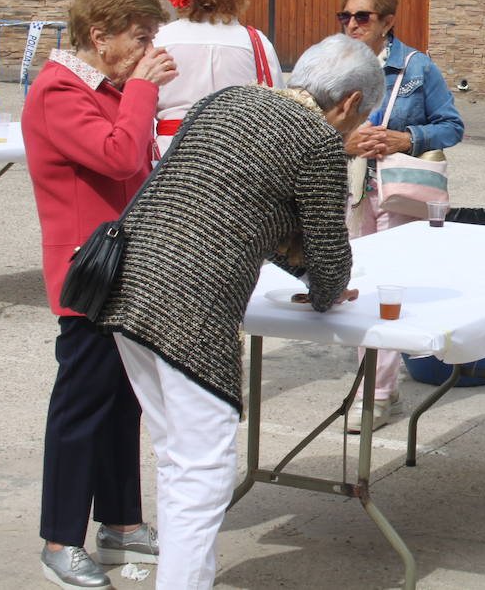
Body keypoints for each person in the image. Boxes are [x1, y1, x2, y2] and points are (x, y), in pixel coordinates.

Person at [96, 34, 380, 590]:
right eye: (359, 114)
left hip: (127, 287)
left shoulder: (227, 100)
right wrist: (326, 290)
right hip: (189, 307)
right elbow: (327, 254)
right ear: (348, 103)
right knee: (204, 470)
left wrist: (309, 273)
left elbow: (236, 202)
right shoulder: (318, 140)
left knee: (179, 458)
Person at [22, 0, 178, 589]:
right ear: (100, 35)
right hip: (88, 275)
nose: (148, 50)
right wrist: (140, 89)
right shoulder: (58, 90)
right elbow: (115, 156)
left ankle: (120, 524)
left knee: (122, 405)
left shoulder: (105, 86)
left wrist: (136, 92)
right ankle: (60, 540)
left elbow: (135, 163)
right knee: (81, 409)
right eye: (141, 38)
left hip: (125, 270)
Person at [339, 0, 464, 430]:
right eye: (346, 16)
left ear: (387, 21)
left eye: (363, 17)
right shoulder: (332, 64)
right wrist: (346, 139)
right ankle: (376, 386)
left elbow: (451, 125)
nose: (352, 25)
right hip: (349, 191)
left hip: (397, 191)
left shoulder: (416, 68)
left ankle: (378, 393)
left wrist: (407, 138)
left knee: (386, 289)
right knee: (356, 286)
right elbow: (308, 118)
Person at [153, 0, 282, 154]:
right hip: (237, 154)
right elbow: (277, 105)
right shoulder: (256, 42)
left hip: (170, 154)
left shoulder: (160, 39)